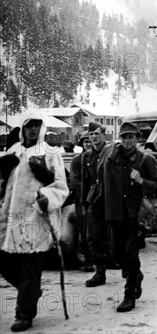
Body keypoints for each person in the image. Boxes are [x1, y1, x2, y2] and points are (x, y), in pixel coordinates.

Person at [0, 112, 69, 332]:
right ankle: (29, 290)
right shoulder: (14, 151)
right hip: (11, 218)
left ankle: (25, 314)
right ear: (22, 127)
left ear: (42, 127)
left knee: (31, 266)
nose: (32, 129)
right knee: (5, 262)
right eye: (29, 125)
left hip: (35, 218)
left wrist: (45, 198)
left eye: (37, 125)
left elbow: (60, 186)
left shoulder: (50, 153)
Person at [99, 121, 157, 312]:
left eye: (131, 137)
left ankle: (129, 295)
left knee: (131, 255)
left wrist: (141, 180)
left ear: (137, 139)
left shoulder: (145, 160)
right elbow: (102, 180)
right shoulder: (110, 157)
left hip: (135, 215)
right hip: (115, 213)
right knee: (117, 255)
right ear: (120, 139)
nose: (127, 140)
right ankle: (137, 276)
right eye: (124, 137)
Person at [82, 122, 113, 287]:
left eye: (97, 134)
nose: (94, 137)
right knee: (93, 236)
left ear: (104, 135)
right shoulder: (87, 156)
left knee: (115, 236)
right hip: (95, 198)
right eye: (91, 134)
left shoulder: (113, 151)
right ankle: (100, 272)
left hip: (112, 198)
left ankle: (128, 270)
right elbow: (85, 181)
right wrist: (84, 204)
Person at [69, 131, 94, 272]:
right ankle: (89, 260)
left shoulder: (100, 158)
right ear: (82, 144)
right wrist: (89, 193)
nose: (89, 144)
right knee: (85, 230)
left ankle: (104, 259)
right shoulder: (77, 161)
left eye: (90, 141)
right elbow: (75, 181)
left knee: (101, 229)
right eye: (86, 142)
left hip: (98, 198)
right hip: (83, 199)